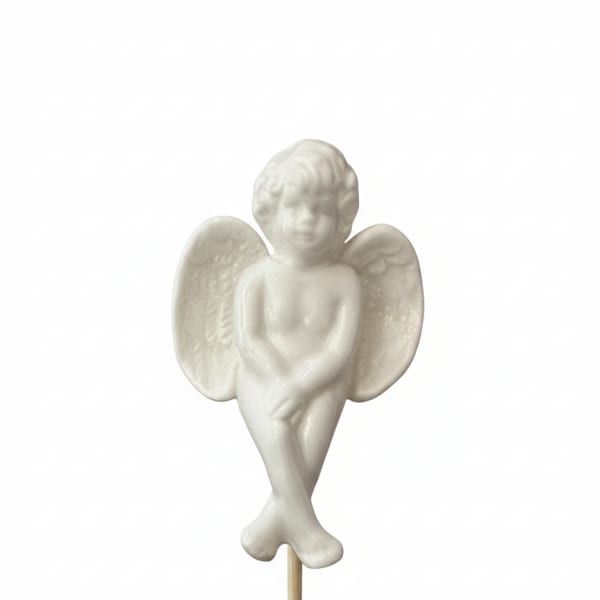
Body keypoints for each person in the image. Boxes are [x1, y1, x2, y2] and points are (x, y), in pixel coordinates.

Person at [233, 140, 362, 568]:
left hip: (323, 383)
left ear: (340, 216)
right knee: (277, 430)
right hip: (262, 378)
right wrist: (281, 380)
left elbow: (340, 348)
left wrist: (304, 385)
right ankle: (306, 531)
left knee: (310, 445)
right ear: (272, 209)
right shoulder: (257, 278)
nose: (308, 219)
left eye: (321, 210)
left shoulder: (345, 281)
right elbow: (249, 339)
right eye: (296, 207)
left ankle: (274, 521)